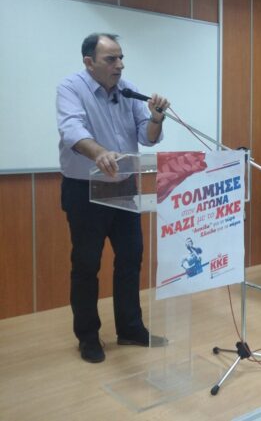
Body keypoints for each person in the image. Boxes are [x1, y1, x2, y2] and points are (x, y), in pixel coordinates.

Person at [57, 33, 170, 363]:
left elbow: (147, 138)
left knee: (131, 257)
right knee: (86, 264)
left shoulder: (128, 89)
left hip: (124, 186)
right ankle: (88, 337)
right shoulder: (70, 88)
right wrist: (100, 153)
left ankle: (130, 329)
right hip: (84, 189)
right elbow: (71, 129)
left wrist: (156, 118)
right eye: (111, 59)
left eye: (121, 58)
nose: (119, 65)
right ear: (89, 62)